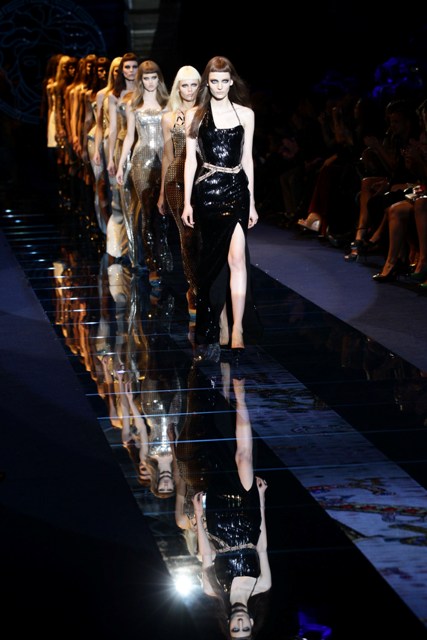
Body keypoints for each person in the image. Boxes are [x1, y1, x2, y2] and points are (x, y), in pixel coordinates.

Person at [182, 56, 261, 362]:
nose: (218, 86)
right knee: (214, 263)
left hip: (237, 188)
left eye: (223, 81)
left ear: (231, 82)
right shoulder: (195, 115)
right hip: (208, 191)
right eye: (213, 81)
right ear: (208, 83)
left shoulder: (245, 114)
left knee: (237, 257)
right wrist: (187, 201)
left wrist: (252, 202)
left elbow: (248, 158)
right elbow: (190, 161)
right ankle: (223, 323)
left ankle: (238, 327)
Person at [191, 364, 271, 640]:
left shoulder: (212, 590)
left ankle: (215, 392)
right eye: (245, 628)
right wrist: (261, 499)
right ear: (251, 621)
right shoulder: (262, 586)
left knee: (214, 450)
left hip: (218, 522)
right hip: (249, 522)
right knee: (243, 459)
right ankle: (240, 396)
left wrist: (199, 513)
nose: (240, 624)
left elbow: (206, 556)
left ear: (228, 625)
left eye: (235, 629)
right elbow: (262, 548)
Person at [116, 59, 170, 280]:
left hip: (164, 160)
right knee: (146, 212)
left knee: (164, 210)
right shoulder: (134, 103)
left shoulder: (168, 102)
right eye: (146, 78)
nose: (150, 82)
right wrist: (122, 164)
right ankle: (151, 262)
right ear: (141, 80)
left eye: (153, 77)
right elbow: (129, 137)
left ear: (159, 79)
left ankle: (164, 253)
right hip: (141, 160)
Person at [157, 65, 201, 320]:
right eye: (185, 85)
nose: (189, 90)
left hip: (201, 177)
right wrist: (162, 194)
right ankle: (193, 289)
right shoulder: (168, 118)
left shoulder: (207, 113)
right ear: (178, 88)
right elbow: (167, 156)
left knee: (201, 236)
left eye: (194, 84)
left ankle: (204, 285)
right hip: (176, 179)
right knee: (186, 236)